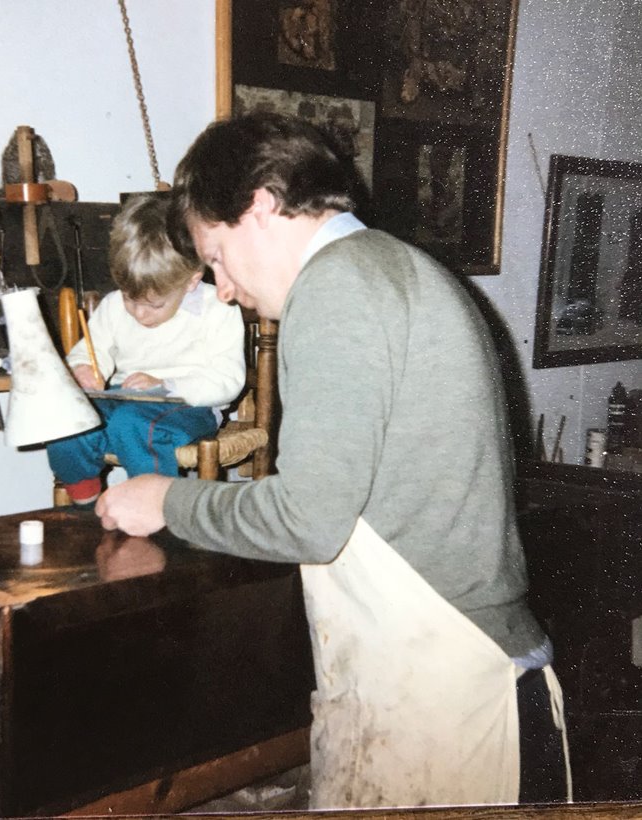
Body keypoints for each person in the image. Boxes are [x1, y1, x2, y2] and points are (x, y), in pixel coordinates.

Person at [95, 113, 571, 808]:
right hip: (456, 667)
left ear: (260, 206)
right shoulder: (392, 266)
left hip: (451, 690)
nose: (223, 288)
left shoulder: (338, 289)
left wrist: (161, 498)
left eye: (217, 256)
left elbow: (307, 518)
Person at [48, 192, 246, 507]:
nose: (139, 314)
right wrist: (84, 367)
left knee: (134, 424)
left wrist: (167, 385)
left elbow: (227, 381)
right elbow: (91, 348)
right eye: (130, 298)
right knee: (69, 420)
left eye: (153, 305)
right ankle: (85, 501)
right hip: (123, 397)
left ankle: (154, 508)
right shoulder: (113, 306)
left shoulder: (217, 308)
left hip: (189, 403)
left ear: (191, 281)